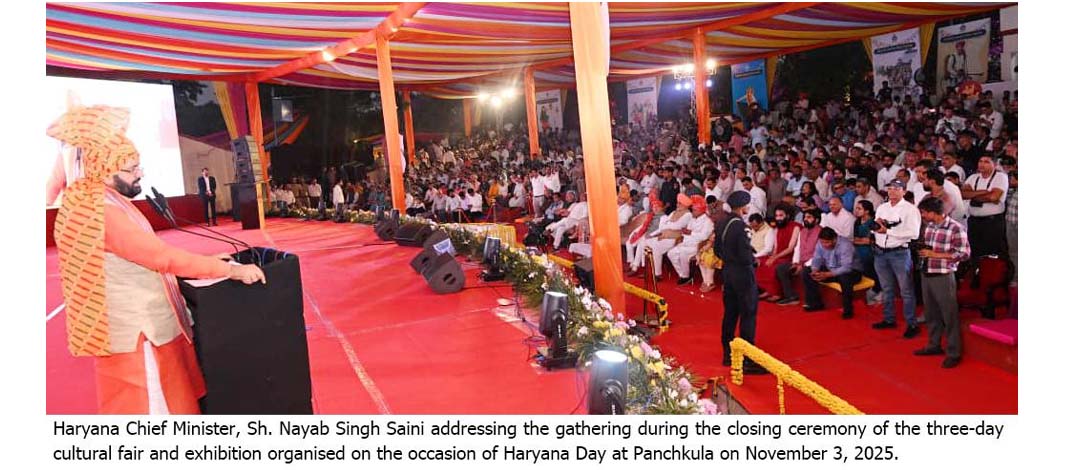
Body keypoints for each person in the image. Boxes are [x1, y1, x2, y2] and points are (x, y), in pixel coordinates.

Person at [49, 105, 265, 414]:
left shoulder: (104, 200)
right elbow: (159, 257)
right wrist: (229, 270)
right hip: (139, 339)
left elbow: (143, 255)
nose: (140, 173)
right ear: (105, 170)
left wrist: (206, 261)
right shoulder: (103, 211)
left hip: (142, 330)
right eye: (132, 168)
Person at [914, 197, 971, 368]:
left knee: (949, 315)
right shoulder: (929, 226)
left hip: (944, 275)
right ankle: (934, 344)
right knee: (931, 313)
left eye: (924, 212)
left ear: (933, 212)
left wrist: (936, 255)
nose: (923, 216)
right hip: (927, 272)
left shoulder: (956, 228)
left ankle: (954, 352)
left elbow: (964, 253)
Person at [716, 191, 766, 374]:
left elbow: (717, 249)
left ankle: (728, 353)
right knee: (748, 314)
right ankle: (747, 358)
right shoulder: (741, 226)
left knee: (730, 313)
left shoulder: (722, 223)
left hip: (728, 272)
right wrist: (753, 261)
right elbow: (745, 255)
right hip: (743, 274)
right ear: (743, 206)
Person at [871, 180, 921, 338]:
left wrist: (888, 231)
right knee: (886, 288)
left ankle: (912, 323)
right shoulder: (882, 207)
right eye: (890, 189)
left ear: (904, 191)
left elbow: (914, 234)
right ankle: (889, 319)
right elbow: (876, 228)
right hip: (880, 251)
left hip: (899, 252)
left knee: (906, 290)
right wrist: (878, 228)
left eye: (896, 189)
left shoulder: (910, 209)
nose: (892, 191)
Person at [628, 193, 692, 279]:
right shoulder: (674, 212)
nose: (677, 205)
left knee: (655, 248)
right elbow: (662, 227)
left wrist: (667, 225)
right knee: (643, 243)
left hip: (674, 238)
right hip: (664, 236)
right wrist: (652, 235)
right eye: (677, 203)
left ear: (685, 205)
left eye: (680, 203)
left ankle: (657, 274)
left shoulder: (688, 215)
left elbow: (677, 226)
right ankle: (641, 269)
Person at [802, 228, 861, 318]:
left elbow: (846, 267)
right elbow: (817, 259)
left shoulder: (845, 245)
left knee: (845, 278)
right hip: (831, 269)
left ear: (834, 239)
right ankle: (815, 304)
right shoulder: (820, 243)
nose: (824, 245)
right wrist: (815, 270)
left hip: (851, 272)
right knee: (807, 271)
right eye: (822, 242)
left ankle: (848, 310)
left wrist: (827, 274)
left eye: (827, 242)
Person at [961, 155, 1009, 261]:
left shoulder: (1000, 177)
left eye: (986, 162)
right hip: (974, 221)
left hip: (992, 222)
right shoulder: (973, 177)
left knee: (991, 252)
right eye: (980, 161)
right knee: (973, 251)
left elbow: (994, 197)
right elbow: (963, 194)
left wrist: (972, 194)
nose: (982, 164)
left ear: (994, 165)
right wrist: (984, 192)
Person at [775, 209, 822, 306]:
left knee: (806, 271)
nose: (805, 219)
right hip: (801, 262)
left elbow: (819, 254)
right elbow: (797, 248)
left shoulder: (821, 232)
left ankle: (812, 302)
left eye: (809, 217)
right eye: (805, 217)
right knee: (781, 268)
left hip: (814, 263)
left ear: (816, 220)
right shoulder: (803, 231)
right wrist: (796, 262)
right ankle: (791, 297)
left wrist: (803, 265)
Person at [757, 204, 800, 303]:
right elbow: (776, 247)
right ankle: (766, 291)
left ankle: (776, 293)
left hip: (789, 257)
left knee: (774, 266)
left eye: (781, 215)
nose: (778, 218)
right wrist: (772, 256)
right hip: (779, 256)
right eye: (776, 216)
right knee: (759, 261)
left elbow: (790, 248)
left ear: (787, 216)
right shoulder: (777, 228)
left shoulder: (795, 227)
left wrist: (775, 258)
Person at [669, 195, 714, 285]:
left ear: (700, 211)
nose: (692, 212)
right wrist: (685, 232)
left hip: (698, 245)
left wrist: (691, 233)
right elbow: (687, 231)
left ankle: (686, 276)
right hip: (686, 242)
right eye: (692, 210)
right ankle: (682, 274)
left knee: (683, 253)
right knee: (671, 253)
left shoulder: (707, 221)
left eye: (694, 210)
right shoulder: (692, 219)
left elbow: (704, 236)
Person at [852, 200, 882, 305]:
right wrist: (863, 240)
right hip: (859, 251)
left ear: (867, 211)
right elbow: (855, 239)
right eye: (856, 208)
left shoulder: (873, 223)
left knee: (872, 271)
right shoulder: (857, 222)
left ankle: (878, 290)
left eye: (859, 208)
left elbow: (871, 241)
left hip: (872, 252)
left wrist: (864, 241)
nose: (856, 210)